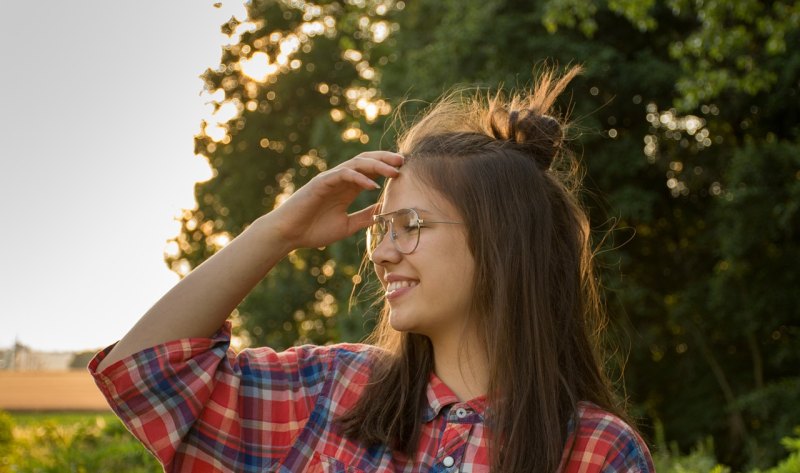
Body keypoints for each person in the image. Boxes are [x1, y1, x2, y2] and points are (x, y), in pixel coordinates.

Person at [90, 66, 654, 472]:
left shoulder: (596, 451)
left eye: (409, 224)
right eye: (380, 229)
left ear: (500, 244)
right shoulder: (334, 392)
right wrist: (280, 230)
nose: (383, 251)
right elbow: (144, 375)